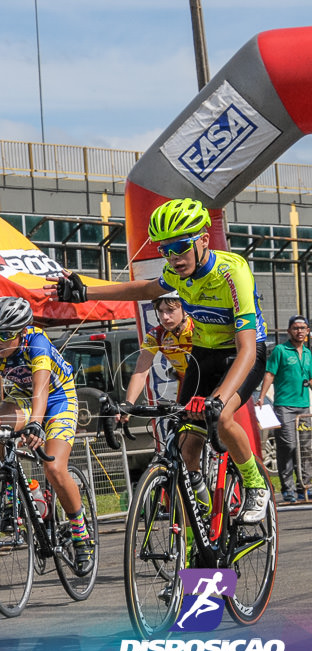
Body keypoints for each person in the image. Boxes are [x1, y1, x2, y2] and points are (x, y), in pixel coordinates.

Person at [47, 197, 270, 524]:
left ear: (204, 240)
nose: (174, 258)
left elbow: (247, 349)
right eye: (165, 250)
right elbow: (145, 289)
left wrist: (219, 400)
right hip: (203, 354)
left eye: (180, 247)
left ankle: (255, 483)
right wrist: (87, 293)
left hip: (242, 354)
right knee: (186, 440)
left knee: (221, 419)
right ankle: (199, 504)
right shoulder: (177, 273)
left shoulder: (231, 272)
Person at [0, 296, 94, 575]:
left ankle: (80, 533)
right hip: (23, 398)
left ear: (22, 331)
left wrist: (37, 423)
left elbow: (42, 388)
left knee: (53, 467)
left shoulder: (37, 342)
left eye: (6, 335)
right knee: (0, 425)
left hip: (58, 398)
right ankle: (14, 495)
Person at [257, 315, 312, 503]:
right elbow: (270, 374)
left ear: (308, 331)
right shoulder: (280, 350)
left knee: (305, 447)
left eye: (303, 328)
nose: (300, 331)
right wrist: (262, 397)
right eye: (296, 328)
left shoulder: (308, 353)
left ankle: (304, 486)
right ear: (289, 331)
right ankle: (287, 487)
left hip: (304, 407)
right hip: (284, 407)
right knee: (288, 446)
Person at [121, 293, 196, 414]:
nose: (165, 317)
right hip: (186, 385)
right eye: (160, 311)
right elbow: (141, 371)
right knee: (182, 428)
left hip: (211, 382)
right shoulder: (157, 335)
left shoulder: (198, 328)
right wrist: (129, 403)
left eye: (171, 310)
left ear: (185, 309)